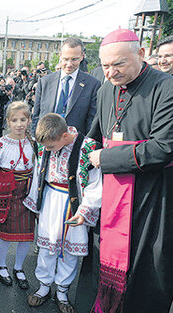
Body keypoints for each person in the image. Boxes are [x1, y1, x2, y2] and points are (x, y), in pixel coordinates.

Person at [85, 28, 173, 313]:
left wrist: (107, 158)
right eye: (106, 66)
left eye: (119, 64)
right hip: (113, 196)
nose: (111, 73)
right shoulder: (105, 89)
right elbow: (95, 137)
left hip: (152, 198)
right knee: (108, 265)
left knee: (148, 271)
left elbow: (163, 148)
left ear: (141, 54)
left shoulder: (166, 87)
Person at [23, 113, 101, 313]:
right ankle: (43, 286)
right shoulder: (45, 144)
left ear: (65, 136)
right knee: (47, 244)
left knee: (69, 250)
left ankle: (63, 291)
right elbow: (39, 173)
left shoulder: (88, 147)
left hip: (73, 203)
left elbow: (95, 183)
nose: (46, 150)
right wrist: (36, 204)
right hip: (50, 198)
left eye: (50, 146)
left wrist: (85, 210)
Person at [0, 102, 37, 289]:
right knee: (6, 233)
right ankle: (0, 265)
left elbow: (37, 167)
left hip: (28, 192)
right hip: (7, 192)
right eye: (14, 120)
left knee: (26, 233)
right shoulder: (0, 143)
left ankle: (19, 267)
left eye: (23, 119)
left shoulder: (33, 143)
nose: (19, 124)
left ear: (29, 120)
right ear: (8, 122)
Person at [32, 37, 101, 136]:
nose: (69, 64)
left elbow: (91, 122)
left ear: (82, 56)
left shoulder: (92, 84)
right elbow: (36, 116)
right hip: (46, 143)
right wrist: (36, 141)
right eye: (65, 59)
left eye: (74, 59)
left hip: (75, 144)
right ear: (60, 56)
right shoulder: (44, 82)